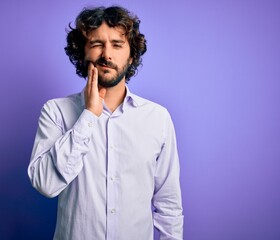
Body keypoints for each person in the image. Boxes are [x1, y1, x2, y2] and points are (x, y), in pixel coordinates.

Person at [28, 5, 183, 240]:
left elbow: (168, 205)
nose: (107, 55)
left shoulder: (158, 118)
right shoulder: (55, 112)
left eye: (117, 44)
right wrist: (89, 115)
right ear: (83, 53)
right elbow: (46, 184)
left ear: (131, 56)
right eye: (97, 44)